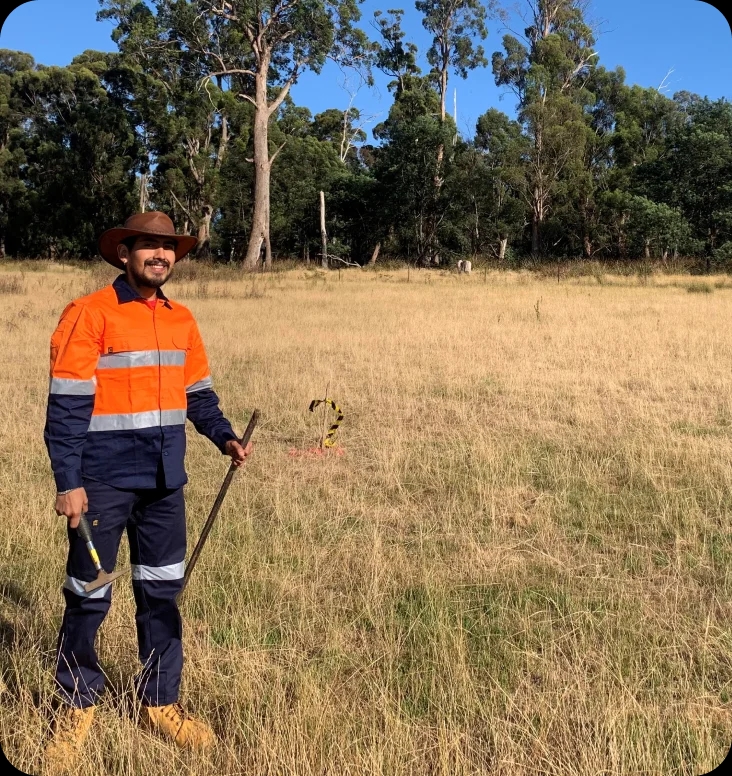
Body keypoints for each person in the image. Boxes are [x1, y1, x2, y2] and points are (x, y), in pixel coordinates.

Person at [42, 212, 252, 769]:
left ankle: (159, 702)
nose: (159, 255)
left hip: (165, 483)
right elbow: (64, 408)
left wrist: (223, 436)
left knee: (162, 595)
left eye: (167, 247)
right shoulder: (89, 314)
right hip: (103, 483)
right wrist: (69, 483)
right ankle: (76, 704)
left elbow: (198, 394)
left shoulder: (182, 320)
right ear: (124, 253)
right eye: (148, 247)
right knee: (88, 595)